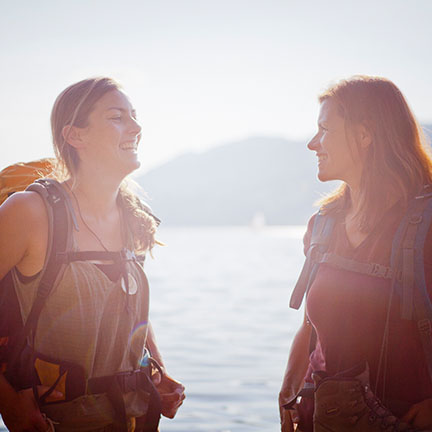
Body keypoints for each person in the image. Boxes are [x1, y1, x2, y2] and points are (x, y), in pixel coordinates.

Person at [0, 77, 185, 431]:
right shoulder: (31, 212)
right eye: (117, 117)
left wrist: (157, 371)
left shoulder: (133, 217)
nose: (136, 127)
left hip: (133, 417)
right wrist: (9, 402)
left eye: (134, 115)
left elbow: (125, 310)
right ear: (75, 136)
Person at [279, 76, 432, 431]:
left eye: (325, 129)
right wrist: (289, 389)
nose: (312, 143)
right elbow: (311, 324)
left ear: (365, 135)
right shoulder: (323, 225)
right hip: (321, 418)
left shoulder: (426, 224)